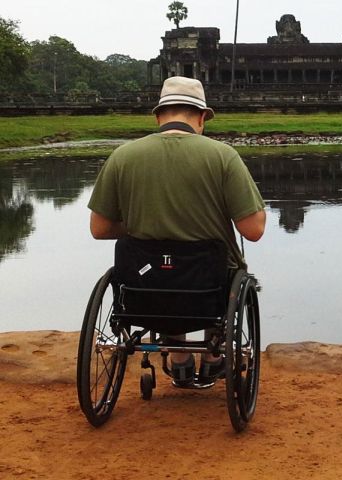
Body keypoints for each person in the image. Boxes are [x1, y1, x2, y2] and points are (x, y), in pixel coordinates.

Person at [87, 76, 266, 386]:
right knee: (218, 266)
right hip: (208, 286)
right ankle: (212, 358)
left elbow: (99, 228)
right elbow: (253, 230)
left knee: (164, 264)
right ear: (201, 118)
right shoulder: (222, 156)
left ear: (159, 116)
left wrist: (143, 221)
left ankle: (180, 360)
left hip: (144, 285)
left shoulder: (123, 157)